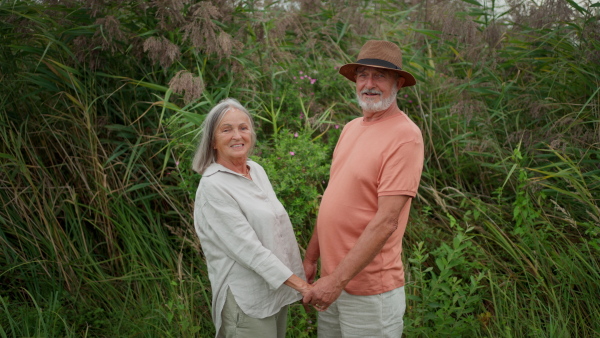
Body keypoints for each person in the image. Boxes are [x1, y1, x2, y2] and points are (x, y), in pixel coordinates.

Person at [302, 40, 424, 337]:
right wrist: (310, 259)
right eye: (362, 75)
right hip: (332, 282)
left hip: (370, 292)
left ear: (398, 83)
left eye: (380, 76)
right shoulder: (351, 129)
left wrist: (336, 281)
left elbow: (385, 222)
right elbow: (332, 199)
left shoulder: (405, 136)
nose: (369, 84)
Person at [192, 98, 311, 338]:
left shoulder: (256, 170)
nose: (237, 135)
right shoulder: (213, 186)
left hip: (275, 292)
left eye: (243, 128)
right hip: (246, 300)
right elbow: (250, 250)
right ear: (213, 141)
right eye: (227, 130)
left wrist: (297, 278)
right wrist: (303, 286)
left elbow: (277, 230)